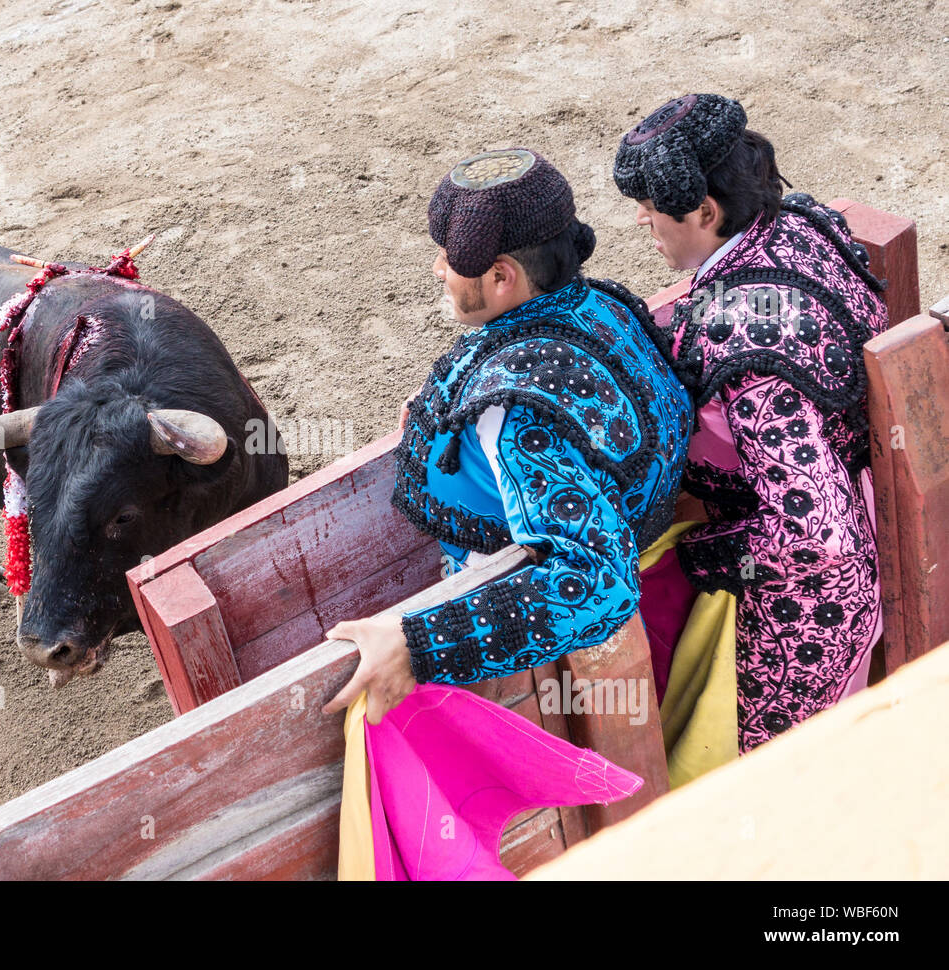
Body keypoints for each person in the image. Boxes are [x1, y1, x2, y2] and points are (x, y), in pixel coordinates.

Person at [324, 148, 692, 725]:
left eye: (449, 260)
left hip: (561, 677)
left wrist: (420, 645)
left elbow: (596, 582)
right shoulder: (602, 304)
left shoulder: (517, 414)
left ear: (502, 276)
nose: (438, 271)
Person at [612, 93, 888, 752]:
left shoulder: (742, 342)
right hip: (867, 495)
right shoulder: (798, 221)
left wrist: (698, 558)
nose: (647, 229)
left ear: (705, 212)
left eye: (654, 218)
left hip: (810, 613)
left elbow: (820, 537)